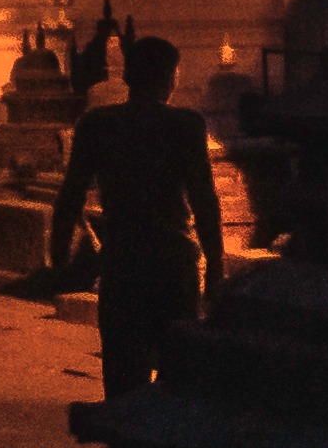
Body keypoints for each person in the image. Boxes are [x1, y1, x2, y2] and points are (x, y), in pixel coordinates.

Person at [44, 31, 228, 398]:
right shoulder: (186, 126)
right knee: (179, 375)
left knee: (124, 375)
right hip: (173, 262)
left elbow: (70, 196)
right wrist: (217, 265)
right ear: (172, 77)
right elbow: (204, 201)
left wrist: (59, 258)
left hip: (123, 261)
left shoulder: (97, 125)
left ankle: (124, 447)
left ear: (126, 77)